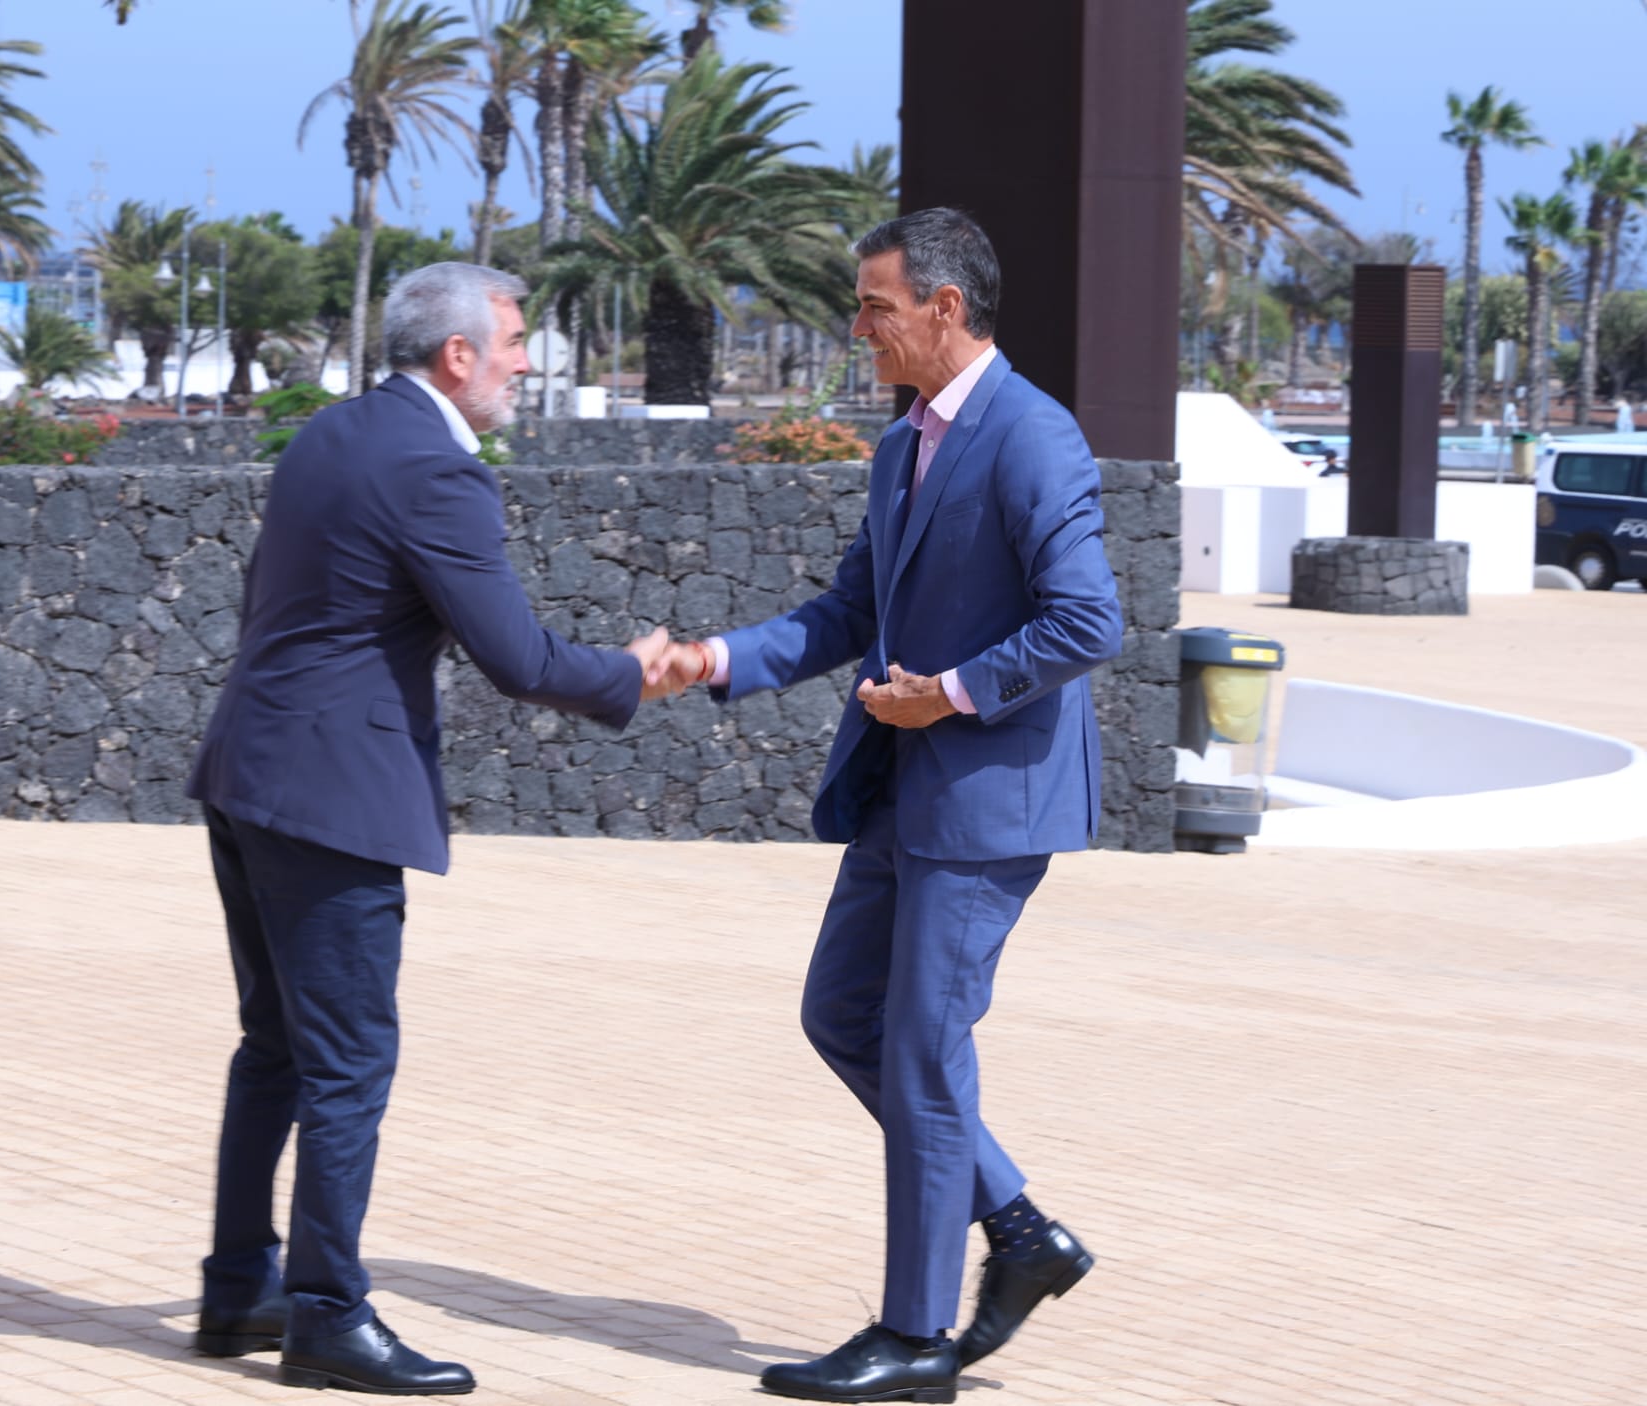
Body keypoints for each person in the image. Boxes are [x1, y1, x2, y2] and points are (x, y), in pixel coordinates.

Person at [657, 208, 1124, 1403]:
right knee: (840, 1013)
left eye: (872, 306)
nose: (855, 327)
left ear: (943, 307)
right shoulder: (898, 446)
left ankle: (916, 1337)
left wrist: (948, 692)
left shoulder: (1031, 434)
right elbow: (844, 612)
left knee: (919, 1051)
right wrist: (713, 657)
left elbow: (1087, 620)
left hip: (986, 801)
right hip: (899, 792)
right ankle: (1016, 1228)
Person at [185, 262, 673, 1395]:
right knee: (348, 1061)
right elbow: (518, 658)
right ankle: (325, 1314)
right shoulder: (436, 467)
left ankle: (238, 1286)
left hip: (248, 770)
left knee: (276, 1047)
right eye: (513, 342)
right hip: (331, 801)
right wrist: (629, 673)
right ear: (458, 354)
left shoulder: (331, 433)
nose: (523, 363)